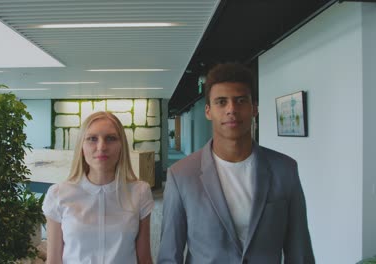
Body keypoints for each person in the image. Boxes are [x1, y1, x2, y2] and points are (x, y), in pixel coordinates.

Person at [158, 63, 314, 264]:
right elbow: (169, 256)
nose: (231, 109)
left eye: (240, 101)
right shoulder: (181, 175)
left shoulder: (284, 169)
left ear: (254, 108)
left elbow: (299, 251)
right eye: (221, 102)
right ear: (208, 111)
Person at [43, 111, 154, 264]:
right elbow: (54, 261)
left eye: (111, 138)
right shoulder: (58, 195)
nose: (101, 147)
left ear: (122, 145)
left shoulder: (139, 192)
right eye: (92, 139)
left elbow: (145, 259)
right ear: (81, 146)